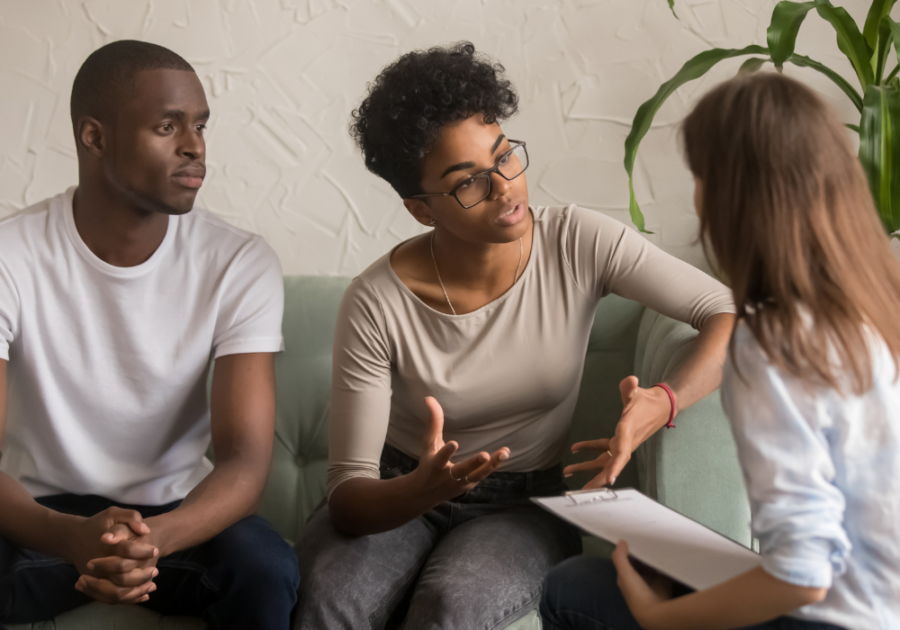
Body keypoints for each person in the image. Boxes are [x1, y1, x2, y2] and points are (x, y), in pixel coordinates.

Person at [293, 42, 736, 629]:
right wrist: (423, 491)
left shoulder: (579, 241)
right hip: (398, 493)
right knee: (328, 598)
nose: (504, 188)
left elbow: (728, 312)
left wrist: (665, 399)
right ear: (421, 210)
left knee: (454, 605)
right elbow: (349, 495)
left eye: (504, 157)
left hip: (524, 505)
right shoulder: (376, 301)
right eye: (468, 183)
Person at [540, 73, 900, 630]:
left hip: (836, 617)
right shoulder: (875, 299)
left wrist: (665, 617)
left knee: (574, 588)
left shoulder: (777, 344)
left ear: (734, 197)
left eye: (701, 176)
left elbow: (804, 576)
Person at [0, 40, 299, 628]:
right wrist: (71, 537)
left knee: (266, 571)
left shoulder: (239, 261)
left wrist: (150, 541)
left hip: (180, 516)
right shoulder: (11, 254)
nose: (195, 147)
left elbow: (244, 460)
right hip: (38, 516)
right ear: (95, 137)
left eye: (200, 126)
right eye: (167, 126)